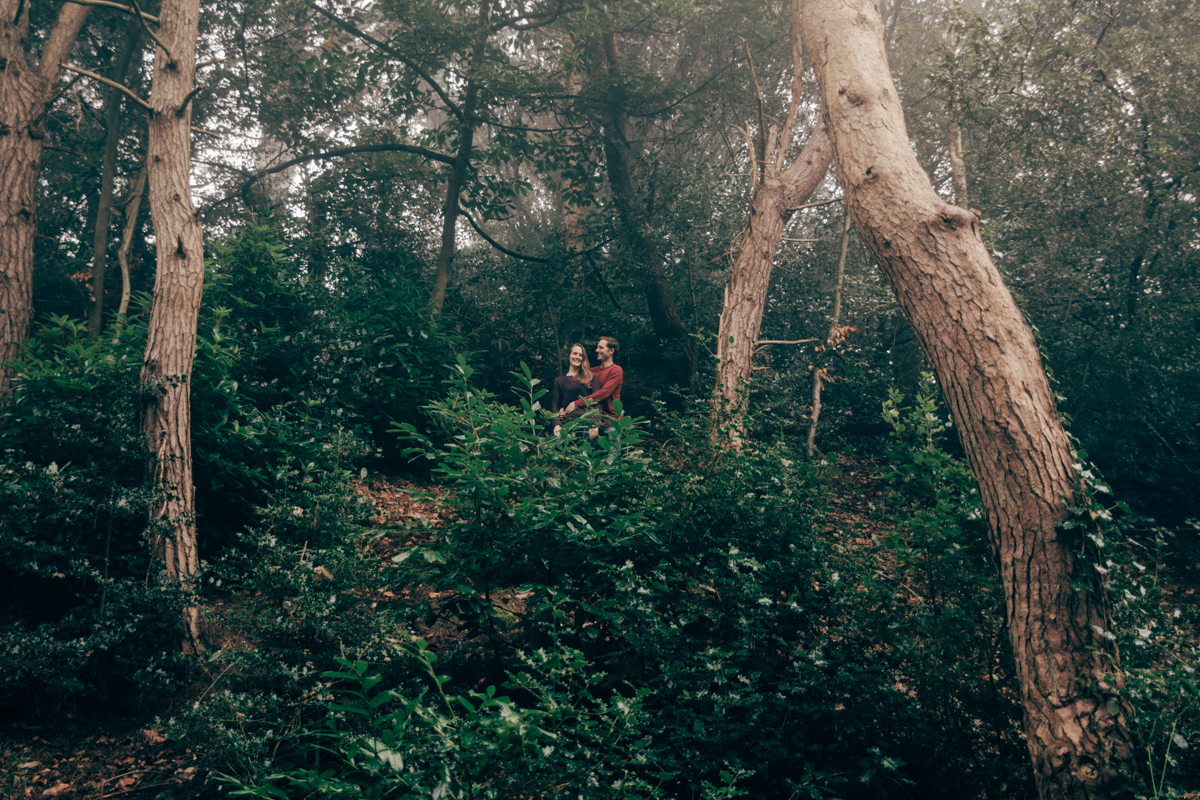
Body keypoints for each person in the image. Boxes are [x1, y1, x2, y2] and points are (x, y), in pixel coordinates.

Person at [563, 336, 623, 457]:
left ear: (611, 351)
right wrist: (563, 407)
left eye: (601, 347)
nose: (597, 350)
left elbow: (604, 393)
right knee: (587, 456)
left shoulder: (616, 370)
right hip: (592, 420)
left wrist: (577, 403)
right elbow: (575, 390)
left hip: (610, 421)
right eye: (597, 347)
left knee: (613, 458)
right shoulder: (592, 372)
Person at [551, 343, 595, 441]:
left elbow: (598, 401)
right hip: (566, 423)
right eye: (575, 353)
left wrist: (595, 424)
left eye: (580, 355)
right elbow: (555, 404)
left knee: (583, 454)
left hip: (585, 423)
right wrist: (557, 424)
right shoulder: (559, 380)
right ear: (569, 356)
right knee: (546, 447)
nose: (577, 357)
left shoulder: (591, 377)